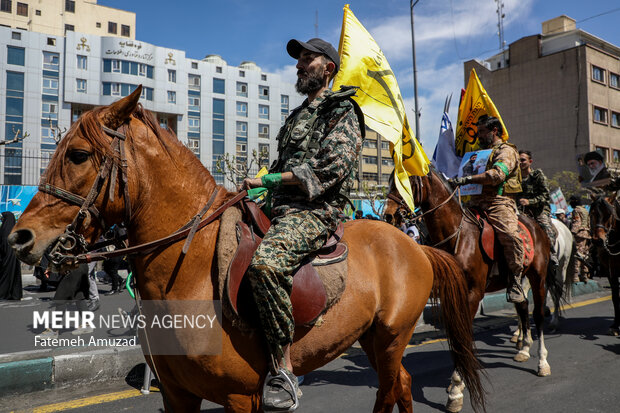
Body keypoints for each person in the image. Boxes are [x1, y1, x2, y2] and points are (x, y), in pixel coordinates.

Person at [240, 37, 363, 411]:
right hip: (276, 207)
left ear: (328, 68)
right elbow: (278, 167)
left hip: (313, 210)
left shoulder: (343, 111)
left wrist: (271, 182)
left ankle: (283, 369)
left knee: (265, 266)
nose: (298, 65)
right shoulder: (296, 116)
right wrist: (253, 188)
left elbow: (330, 167)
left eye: (307, 59)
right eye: (298, 60)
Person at [449, 115, 525, 303]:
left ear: (494, 131)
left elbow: (497, 175)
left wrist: (468, 179)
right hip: (474, 202)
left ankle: (515, 279)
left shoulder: (506, 151)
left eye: (482, 132)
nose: (479, 136)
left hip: (498, 203)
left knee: (510, 235)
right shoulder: (478, 153)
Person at [516, 150, 559, 269]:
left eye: (523, 160)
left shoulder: (537, 176)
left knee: (546, 227)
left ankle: (551, 253)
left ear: (530, 161)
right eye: (518, 160)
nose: (520, 162)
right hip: (521, 210)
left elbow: (545, 196)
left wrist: (529, 201)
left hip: (539, 209)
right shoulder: (516, 177)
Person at [0, 211, 22, 300]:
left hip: (5, 258)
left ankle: (3, 293)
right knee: (15, 276)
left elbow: (2, 245)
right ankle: (15, 294)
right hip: (14, 257)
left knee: (5, 276)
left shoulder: (3, 231)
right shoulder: (15, 231)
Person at [569, 196, 591, 282]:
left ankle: (575, 276)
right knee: (585, 255)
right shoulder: (585, 210)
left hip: (579, 235)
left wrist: (572, 234)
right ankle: (584, 274)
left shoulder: (576, 210)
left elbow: (576, 223)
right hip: (587, 234)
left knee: (577, 254)